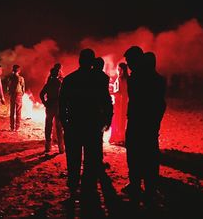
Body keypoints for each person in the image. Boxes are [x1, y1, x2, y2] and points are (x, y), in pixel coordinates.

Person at [59, 49, 113, 202]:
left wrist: (65, 123)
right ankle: (88, 189)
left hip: (74, 125)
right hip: (93, 126)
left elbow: (62, 104)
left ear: (80, 61)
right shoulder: (98, 80)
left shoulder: (70, 79)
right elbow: (106, 102)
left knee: (73, 159)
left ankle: (73, 188)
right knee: (91, 159)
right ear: (91, 62)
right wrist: (107, 120)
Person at [123, 47, 166, 207]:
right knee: (149, 156)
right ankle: (148, 188)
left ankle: (138, 186)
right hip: (149, 124)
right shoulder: (157, 79)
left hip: (139, 123)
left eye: (129, 62)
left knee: (136, 155)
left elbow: (138, 101)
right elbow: (161, 105)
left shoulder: (137, 79)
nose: (128, 65)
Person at [40, 65, 64, 153]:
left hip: (49, 106)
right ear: (57, 74)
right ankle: (61, 148)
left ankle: (47, 146)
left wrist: (45, 102)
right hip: (57, 106)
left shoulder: (49, 83)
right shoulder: (60, 83)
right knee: (59, 127)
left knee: (48, 126)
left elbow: (41, 94)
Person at [109, 62, 129, 145]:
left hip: (120, 103)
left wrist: (110, 92)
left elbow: (120, 92)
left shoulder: (121, 79)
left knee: (119, 120)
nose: (118, 71)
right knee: (120, 120)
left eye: (119, 69)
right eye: (118, 69)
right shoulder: (125, 79)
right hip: (122, 102)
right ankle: (119, 138)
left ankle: (120, 138)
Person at [8, 64, 25, 132]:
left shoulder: (10, 78)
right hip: (18, 95)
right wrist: (22, 93)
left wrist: (10, 93)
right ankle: (17, 127)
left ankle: (12, 127)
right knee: (18, 111)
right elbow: (23, 87)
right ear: (19, 70)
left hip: (12, 95)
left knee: (12, 111)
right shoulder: (21, 78)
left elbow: (8, 87)